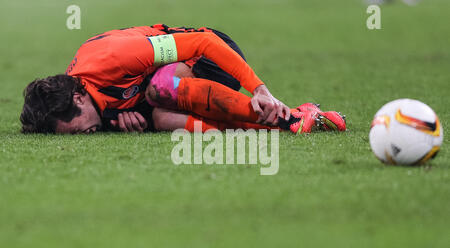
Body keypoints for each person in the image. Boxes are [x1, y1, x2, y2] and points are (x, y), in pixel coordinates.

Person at [20, 24, 346, 134]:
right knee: (162, 117)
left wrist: (260, 89)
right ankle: (301, 118)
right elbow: (134, 108)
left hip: (209, 56)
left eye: (80, 129)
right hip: (172, 90)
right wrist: (137, 123)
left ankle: (286, 118)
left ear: (78, 99)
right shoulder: (80, 98)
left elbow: (202, 41)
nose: (87, 133)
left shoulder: (111, 59)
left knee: (160, 89)